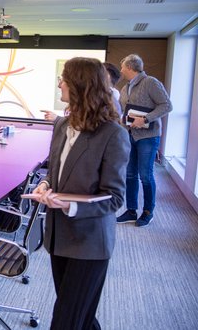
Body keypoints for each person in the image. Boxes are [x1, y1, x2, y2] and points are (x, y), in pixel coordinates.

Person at [33, 57, 129, 330]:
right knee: (80, 317)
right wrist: (46, 186)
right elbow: (55, 172)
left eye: (63, 78)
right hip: (58, 237)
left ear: (81, 85)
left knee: (65, 321)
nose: (60, 83)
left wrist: (70, 206)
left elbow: (115, 198)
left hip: (89, 243)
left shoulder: (113, 134)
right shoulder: (62, 125)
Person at [116, 54, 172, 227]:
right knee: (130, 174)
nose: (121, 70)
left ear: (131, 67)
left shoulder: (151, 82)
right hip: (129, 134)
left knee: (145, 175)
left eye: (123, 67)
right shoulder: (125, 87)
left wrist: (146, 119)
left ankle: (148, 211)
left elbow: (166, 105)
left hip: (148, 136)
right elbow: (125, 109)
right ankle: (131, 210)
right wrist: (121, 120)